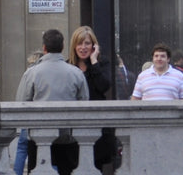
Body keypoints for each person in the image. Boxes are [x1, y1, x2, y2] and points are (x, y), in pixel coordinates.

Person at [13, 28, 89, 175]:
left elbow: (21, 103)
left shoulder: (32, 73)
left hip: (38, 136)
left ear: (44, 48)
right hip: (67, 137)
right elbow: (84, 103)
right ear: (62, 47)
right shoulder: (76, 73)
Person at [66, 26, 115, 172]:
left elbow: (104, 86)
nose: (83, 47)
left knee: (96, 166)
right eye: (79, 44)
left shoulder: (101, 63)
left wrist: (94, 62)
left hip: (97, 123)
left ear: (94, 45)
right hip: (74, 123)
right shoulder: (68, 65)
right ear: (74, 46)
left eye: (87, 43)